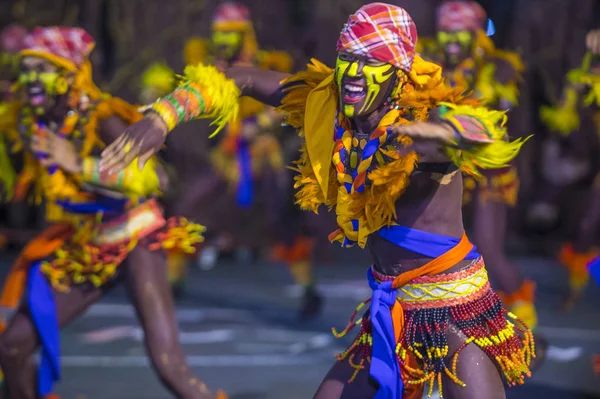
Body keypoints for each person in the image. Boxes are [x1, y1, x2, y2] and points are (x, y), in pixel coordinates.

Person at [100, 3, 534, 398]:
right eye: (349, 60)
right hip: (391, 310)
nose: (355, 75)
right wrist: (163, 115)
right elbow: (240, 78)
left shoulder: (417, 129)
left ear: (400, 76)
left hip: (456, 317)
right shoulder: (325, 105)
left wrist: (448, 135)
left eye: (373, 64)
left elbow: (481, 134)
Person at [0, 26, 224, 399]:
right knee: (13, 346)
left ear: (70, 75)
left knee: (168, 364)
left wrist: (77, 163)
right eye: (27, 68)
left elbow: (154, 179)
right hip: (86, 247)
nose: (31, 78)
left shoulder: (99, 115)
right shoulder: (28, 119)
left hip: (135, 239)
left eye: (43, 68)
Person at [539, 29, 600, 309]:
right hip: (589, 160)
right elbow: (567, 121)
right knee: (584, 225)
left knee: (587, 224)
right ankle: (576, 290)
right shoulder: (582, 78)